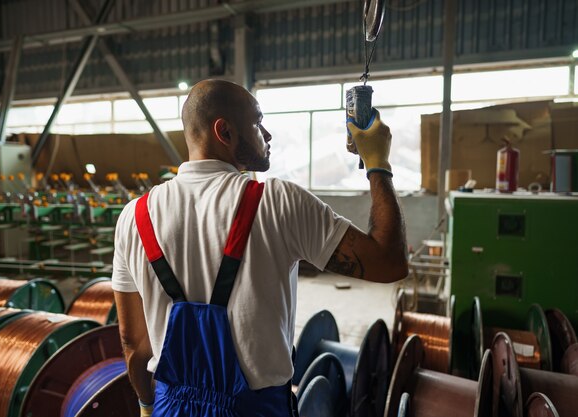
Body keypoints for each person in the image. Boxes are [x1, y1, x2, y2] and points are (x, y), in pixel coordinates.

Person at [112, 79, 408, 417]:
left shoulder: (133, 218)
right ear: (224, 131)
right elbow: (390, 261)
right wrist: (377, 164)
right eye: (257, 122)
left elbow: (132, 342)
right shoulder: (279, 202)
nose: (267, 135)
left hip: (169, 407)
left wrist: (147, 404)